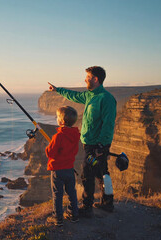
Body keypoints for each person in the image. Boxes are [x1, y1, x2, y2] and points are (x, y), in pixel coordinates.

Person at [48, 66, 117, 218]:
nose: (85, 79)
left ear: (95, 79)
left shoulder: (106, 99)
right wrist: (58, 89)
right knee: (101, 172)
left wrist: (101, 145)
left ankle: (87, 206)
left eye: (87, 77)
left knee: (88, 173)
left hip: (96, 146)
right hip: (90, 145)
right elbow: (73, 95)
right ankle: (107, 203)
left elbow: (108, 124)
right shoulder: (89, 95)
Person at [45, 106, 80, 226]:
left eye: (57, 117)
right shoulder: (76, 135)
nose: (56, 119)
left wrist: (49, 146)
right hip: (69, 169)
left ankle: (58, 217)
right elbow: (73, 151)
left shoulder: (58, 136)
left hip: (57, 171)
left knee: (57, 194)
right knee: (71, 192)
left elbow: (51, 153)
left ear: (61, 121)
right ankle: (74, 214)